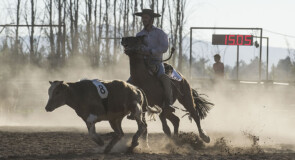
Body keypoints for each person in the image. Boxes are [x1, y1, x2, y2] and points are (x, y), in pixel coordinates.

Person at [125, 9, 174, 116]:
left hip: (156, 62)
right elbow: (137, 47)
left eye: (146, 18)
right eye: (143, 18)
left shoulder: (160, 33)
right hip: (142, 63)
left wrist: (151, 52)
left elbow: (164, 47)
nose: (144, 20)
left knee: (164, 78)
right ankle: (129, 107)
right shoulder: (139, 34)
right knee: (128, 83)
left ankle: (168, 103)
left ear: (151, 19)